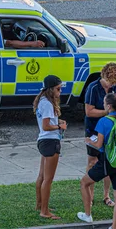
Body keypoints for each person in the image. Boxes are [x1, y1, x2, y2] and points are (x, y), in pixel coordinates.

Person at [78, 93, 116, 228]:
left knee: (84, 183)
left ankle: (88, 215)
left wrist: (90, 141)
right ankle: (113, 227)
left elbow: (99, 145)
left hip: (106, 162)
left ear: (108, 106)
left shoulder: (104, 121)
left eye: (104, 104)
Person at [83, 62, 116, 207]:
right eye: (110, 82)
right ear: (104, 76)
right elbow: (89, 111)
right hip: (94, 129)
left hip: (110, 130)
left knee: (109, 162)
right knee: (92, 162)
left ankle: (106, 196)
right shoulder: (93, 87)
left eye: (114, 82)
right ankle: (89, 196)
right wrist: (109, 112)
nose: (111, 86)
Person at [33, 75, 67, 220]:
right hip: (50, 142)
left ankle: (40, 204)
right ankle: (45, 211)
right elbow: (47, 126)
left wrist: (57, 121)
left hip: (43, 141)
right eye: (58, 89)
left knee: (42, 176)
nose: (60, 92)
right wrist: (60, 126)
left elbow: (46, 121)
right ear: (51, 89)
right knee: (48, 179)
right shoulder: (47, 103)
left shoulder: (42, 101)